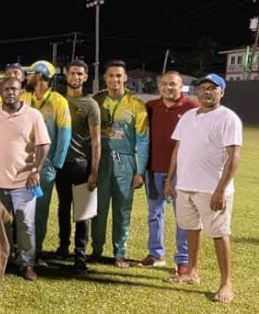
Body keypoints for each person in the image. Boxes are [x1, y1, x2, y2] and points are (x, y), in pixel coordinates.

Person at [164, 74, 242, 303]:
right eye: (203, 88)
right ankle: (192, 272)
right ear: (197, 92)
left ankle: (226, 283)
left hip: (212, 189)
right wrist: (170, 179)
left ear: (222, 93)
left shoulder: (228, 118)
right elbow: (178, 149)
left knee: (219, 233)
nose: (207, 92)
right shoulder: (188, 116)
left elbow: (234, 155)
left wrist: (221, 190)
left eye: (213, 88)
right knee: (191, 229)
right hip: (185, 185)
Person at [0, 77, 50, 280]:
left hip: (24, 181)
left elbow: (44, 144)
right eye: (5, 89)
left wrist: (36, 170)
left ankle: (26, 263)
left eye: (14, 88)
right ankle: (4, 260)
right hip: (0, 182)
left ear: (21, 90)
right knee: (3, 224)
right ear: (0, 92)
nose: (10, 92)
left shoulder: (33, 115)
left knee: (25, 224)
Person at [91, 60, 149, 268]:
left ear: (125, 78)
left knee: (122, 209)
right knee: (98, 208)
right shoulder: (96, 101)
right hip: (100, 160)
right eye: (111, 76)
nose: (115, 80)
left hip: (124, 161)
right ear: (105, 78)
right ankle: (96, 250)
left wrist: (140, 171)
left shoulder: (136, 104)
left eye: (119, 76)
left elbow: (143, 140)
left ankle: (120, 253)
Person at [140, 71, 199, 273]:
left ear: (180, 85)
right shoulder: (150, 107)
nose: (168, 87)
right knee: (154, 213)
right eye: (164, 84)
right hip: (153, 169)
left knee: (182, 215)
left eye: (172, 84)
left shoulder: (192, 107)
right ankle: (156, 253)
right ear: (159, 87)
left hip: (181, 172)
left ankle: (182, 259)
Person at [22, 61, 71, 263]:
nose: (26, 76)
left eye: (30, 73)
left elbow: (65, 134)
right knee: (21, 208)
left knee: (40, 210)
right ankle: (21, 249)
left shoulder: (59, 102)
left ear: (40, 76)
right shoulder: (24, 97)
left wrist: (56, 164)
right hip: (22, 163)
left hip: (45, 165)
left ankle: (37, 251)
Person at [54, 59, 100, 273]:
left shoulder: (90, 104)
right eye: (73, 73)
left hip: (81, 165)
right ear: (65, 74)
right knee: (63, 208)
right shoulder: (57, 99)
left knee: (82, 212)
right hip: (60, 165)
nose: (76, 77)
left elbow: (96, 140)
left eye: (80, 74)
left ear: (86, 77)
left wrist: (94, 171)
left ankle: (80, 255)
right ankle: (63, 247)